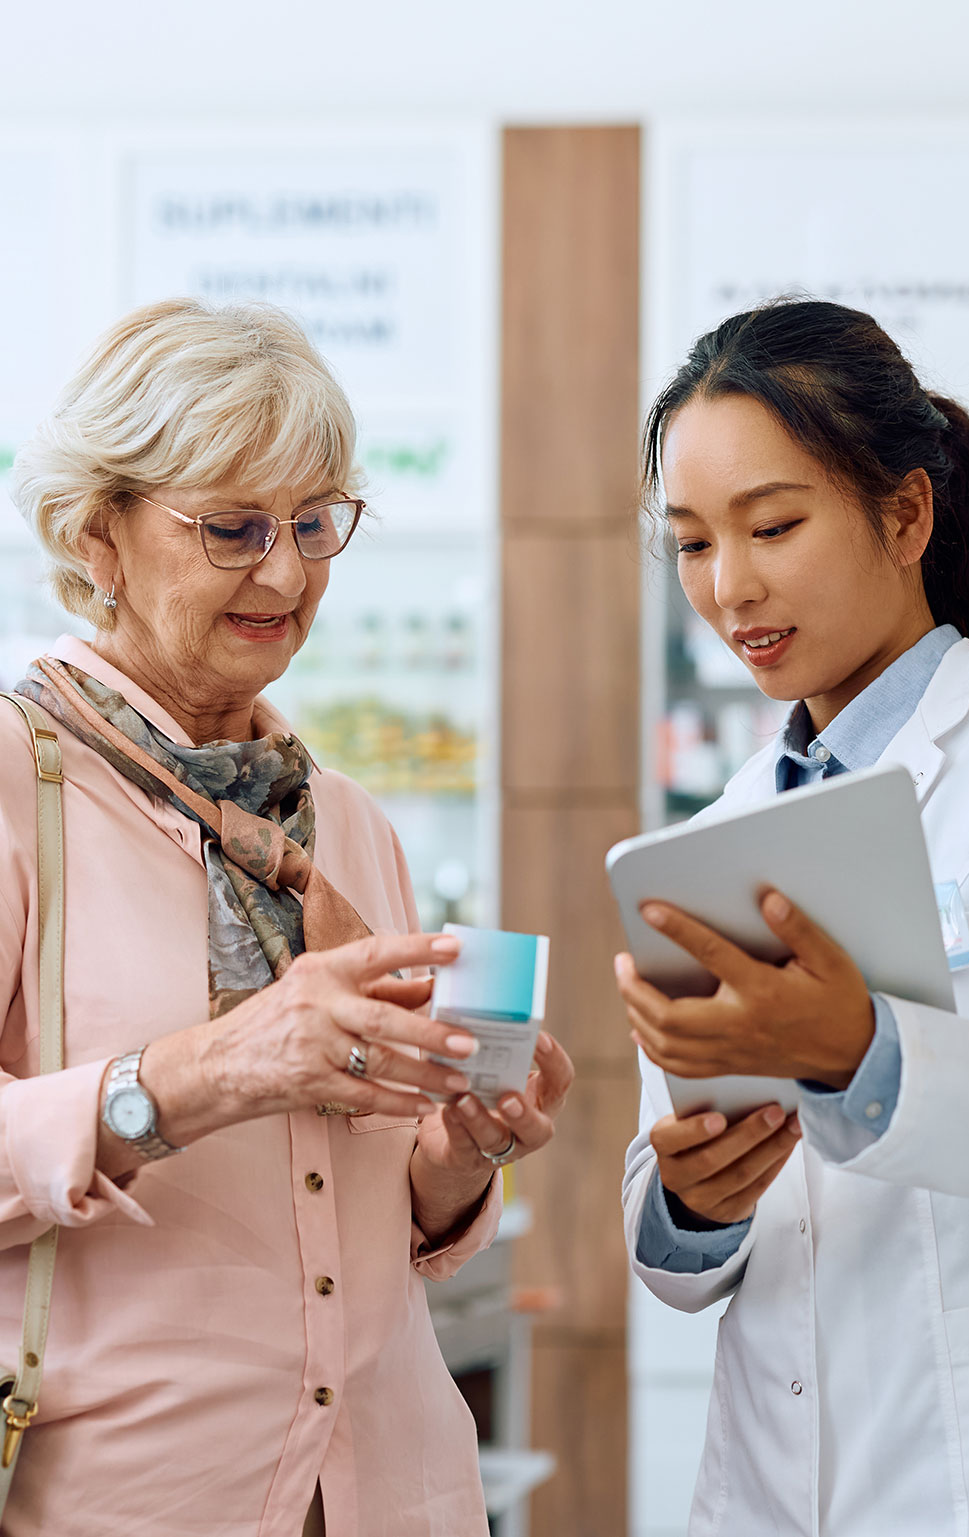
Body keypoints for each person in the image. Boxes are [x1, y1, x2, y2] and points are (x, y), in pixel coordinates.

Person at [0, 297, 573, 1537]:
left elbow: (376, 1220)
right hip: (131, 1500)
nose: (288, 572)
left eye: (316, 523)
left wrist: (466, 1148)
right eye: (233, 527)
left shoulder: (346, 821)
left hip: (390, 1493)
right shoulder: (14, 780)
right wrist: (201, 1072)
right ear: (98, 533)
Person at [618, 299, 969, 1537]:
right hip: (768, 1488)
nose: (728, 587)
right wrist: (693, 1204)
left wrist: (863, 1054)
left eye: (773, 526)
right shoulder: (710, 836)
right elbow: (676, 1251)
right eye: (689, 543)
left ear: (904, 515)